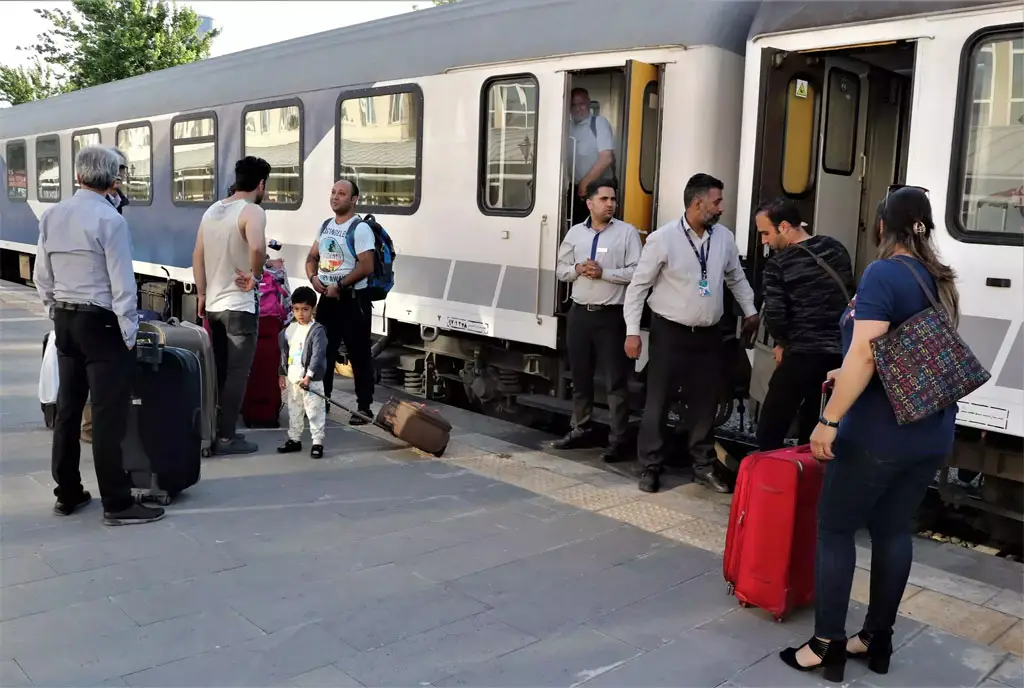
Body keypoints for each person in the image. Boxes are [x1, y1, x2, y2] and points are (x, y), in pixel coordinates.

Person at [780, 186, 960, 682]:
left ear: (883, 226)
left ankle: (826, 644)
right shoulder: (939, 279)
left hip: (878, 433)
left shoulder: (883, 272)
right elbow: (904, 353)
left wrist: (829, 418)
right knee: (893, 530)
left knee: (835, 529)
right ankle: (877, 640)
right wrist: (849, 371)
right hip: (930, 432)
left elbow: (865, 352)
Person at [32, 144, 164, 526]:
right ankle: (117, 503)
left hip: (66, 320)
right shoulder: (111, 220)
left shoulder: (52, 215)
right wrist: (129, 331)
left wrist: (53, 309)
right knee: (108, 416)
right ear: (112, 179)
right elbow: (123, 283)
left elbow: (43, 274)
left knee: (68, 410)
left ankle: (67, 493)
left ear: (77, 175)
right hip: (102, 323)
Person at [623, 173, 759, 494]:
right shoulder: (663, 238)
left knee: (705, 402)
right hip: (669, 332)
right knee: (658, 401)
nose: (722, 207)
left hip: (708, 335)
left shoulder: (723, 238)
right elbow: (638, 288)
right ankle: (650, 466)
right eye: (717, 201)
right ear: (698, 204)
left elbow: (736, 279)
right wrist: (632, 332)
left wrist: (750, 310)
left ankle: (702, 465)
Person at [754, 197, 854, 450]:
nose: (763, 240)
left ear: (784, 226)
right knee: (816, 423)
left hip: (801, 354)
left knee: (771, 425)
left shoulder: (778, 265)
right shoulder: (835, 248)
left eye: (766, 233)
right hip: (838, 356)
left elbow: (775, 317)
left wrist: (781, 343)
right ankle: (810, 481)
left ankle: (769, 480)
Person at [553, 181, 642, 462]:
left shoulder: (627, 233)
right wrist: (578, 268)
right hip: (580, 314)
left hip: (611, 316)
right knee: (580, 377)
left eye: (613, 199)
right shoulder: (575, 233)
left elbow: (637, 273)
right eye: (604, 198)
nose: (610, 203)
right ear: (590, 203)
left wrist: (604, 273)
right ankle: (580, 428)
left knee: (616, 382)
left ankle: (618, 440)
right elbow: (560, 268)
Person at [192, 156, 270, 454]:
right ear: (261, 183)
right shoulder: (252, 211)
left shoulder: (212, 210)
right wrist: (256, 275)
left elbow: (197, 255)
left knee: (219, 372)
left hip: (213, 305)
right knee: (238, 374)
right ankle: (226, 437)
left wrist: (201, 294)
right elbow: (258, 247)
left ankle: (210, 431)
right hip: (238, 307)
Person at [304, 179, 376, 425]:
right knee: (323, 352)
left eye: (342, 194)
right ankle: (322, 402)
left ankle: (364, 408)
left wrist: (341, 285)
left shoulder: (360, 229)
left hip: (353, 301)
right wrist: (313, 277)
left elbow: (367, 265)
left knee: (359, 355)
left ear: (354, 199)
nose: (335, 197)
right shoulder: (325, 226)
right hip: (327, 300)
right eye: (333, 192)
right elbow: (312, 257)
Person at [277, 287, 329, 459]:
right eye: (296, 309)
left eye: (305, 309)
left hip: (310, 381)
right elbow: (284, 353)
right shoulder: (289, 330)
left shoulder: (317, 331)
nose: (300, 313)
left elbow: (318, 354)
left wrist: (309, 376)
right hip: (293, 380)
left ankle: (317, 441)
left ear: (313, 309)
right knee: (294, 410)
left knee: (314, 411)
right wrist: (282, 373)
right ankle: (294, 439)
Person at [567, 87, 616, 225]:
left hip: (597, 190)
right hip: (575, 190)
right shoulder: (568, 126)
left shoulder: (598, 123)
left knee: (596, 230)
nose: (577, 108)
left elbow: (606, 157)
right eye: (573, 105)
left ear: (588, 103)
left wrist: (584, 184)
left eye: (581, 104)